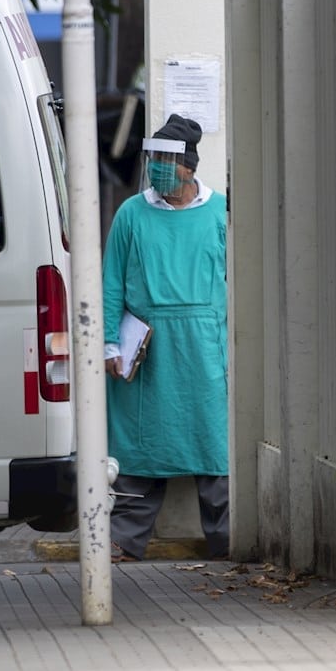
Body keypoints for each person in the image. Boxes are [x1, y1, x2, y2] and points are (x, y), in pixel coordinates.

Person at [102, 114, 229, 562]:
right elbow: (111, 282)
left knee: (215, 445)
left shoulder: (221, 212)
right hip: (148, 349)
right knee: (139, 448)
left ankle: (230, 542)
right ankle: (121, 542)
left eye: (165, 160)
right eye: (152, 157)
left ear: (189, 167)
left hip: (207, 348)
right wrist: (109, 345)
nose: (156, 167)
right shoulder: (131, 214)